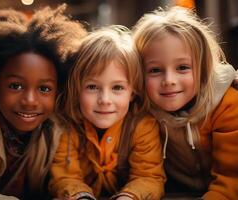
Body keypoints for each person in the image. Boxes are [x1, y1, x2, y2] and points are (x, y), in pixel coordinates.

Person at [0, 5, 86, 200]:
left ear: (57, 91)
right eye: (15, 86)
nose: (29, 101)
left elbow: (63, 179)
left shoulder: (58, 126)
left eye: (44, 89)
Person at [132, 6, 238, 199]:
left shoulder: (227, 104)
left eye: (182, 67)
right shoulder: (144, 112)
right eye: (155, 70)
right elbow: (146, 170)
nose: (169, 80)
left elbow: (232, 177)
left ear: (203, 69)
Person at [49, 26, 165, 200]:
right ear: (77, 89)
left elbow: (148, 176)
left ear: (132, 92)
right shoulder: (66, 126)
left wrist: (129, 197)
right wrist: (80, 197)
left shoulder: (142, 126)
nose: (105, 99)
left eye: (117, 87)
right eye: (92, 87)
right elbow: (64, 177)